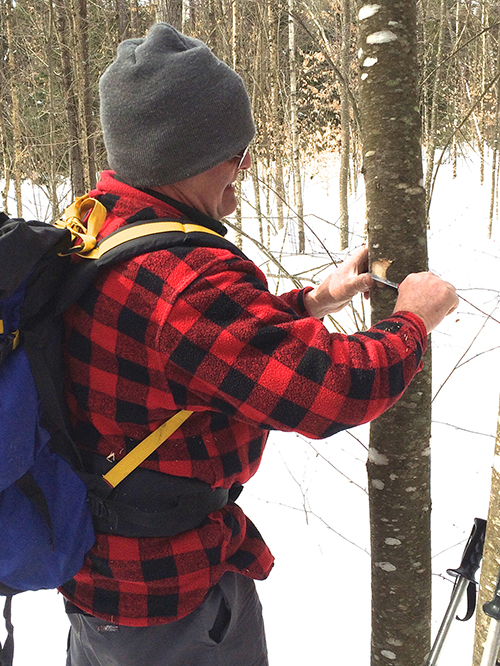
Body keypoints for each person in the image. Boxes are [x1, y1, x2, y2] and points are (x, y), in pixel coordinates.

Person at [60, 23, 458, 666]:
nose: (244, 167)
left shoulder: (103, 224)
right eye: (238, 151)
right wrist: (411, 320)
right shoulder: (185, 281)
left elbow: (188, 352)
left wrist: (310, 302)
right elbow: (331, 393)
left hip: (102, 576)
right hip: (170, 599)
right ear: (192, 155)